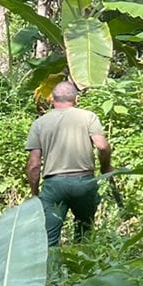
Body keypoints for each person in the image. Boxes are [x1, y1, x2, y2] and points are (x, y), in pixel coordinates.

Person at [25, 80, 112, 247]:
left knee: (49, 241)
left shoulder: (40, 123)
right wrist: (106, 167)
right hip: (84, 182)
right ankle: (83, 268)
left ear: (52, 100)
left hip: (53, 185)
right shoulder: (88, 117)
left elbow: (34, 165)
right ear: (76, 100)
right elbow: (102, 146)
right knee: (84, 234)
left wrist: (35, 193)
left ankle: (53, 271)